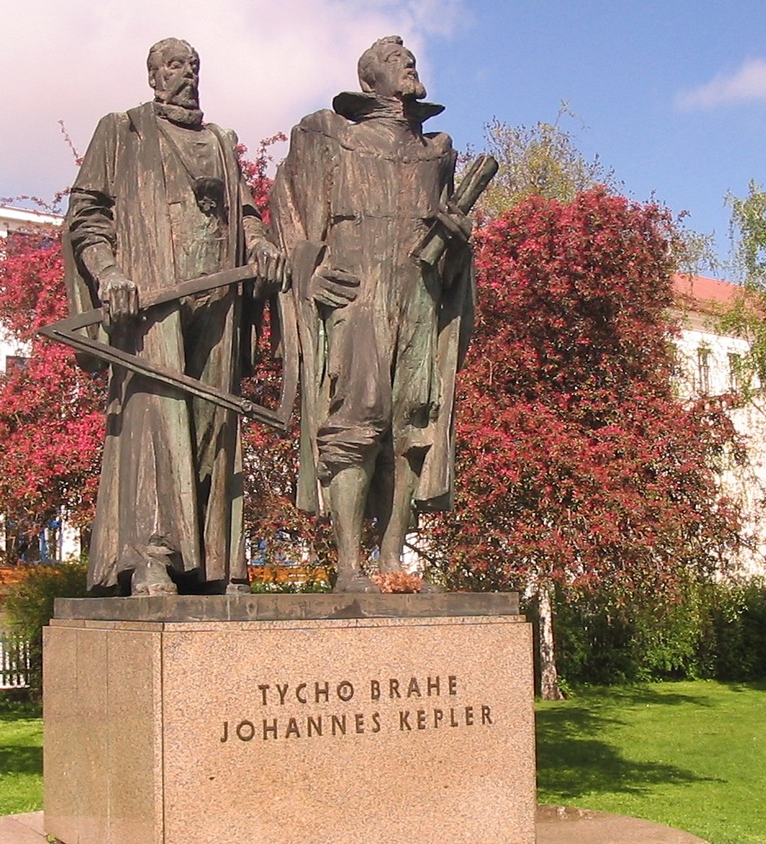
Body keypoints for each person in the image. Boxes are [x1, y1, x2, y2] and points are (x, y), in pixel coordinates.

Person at [65, 37, 285, 596]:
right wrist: (108, 274)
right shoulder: (123, 130)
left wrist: (258, 245)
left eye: (192, 65)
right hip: (152, 299)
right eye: (172, 66)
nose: (184, 74)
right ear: (152, 76)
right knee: (155, 421)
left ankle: (218, 563)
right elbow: (88, 215)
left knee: (217, 422)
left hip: (220, 294)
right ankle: (151, 558)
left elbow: (247, 213)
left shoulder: (219, 140)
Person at [271, 36, 475, 592]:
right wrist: (306, 270)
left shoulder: (439, 152)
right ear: (368, 81)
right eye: (392, 60)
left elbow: (453, 246)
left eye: (409, 58)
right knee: (355, 421)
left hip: (419, 295)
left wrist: (458, 244)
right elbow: (287, 209)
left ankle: (392, 561)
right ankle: (347, 566)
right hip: (357, 293)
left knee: (415, 421)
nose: (407, 64)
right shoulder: (327, 137)